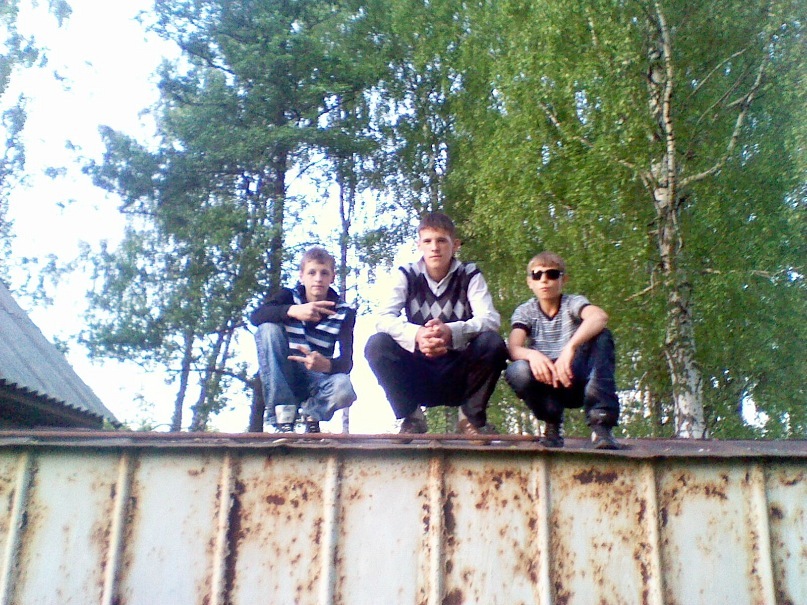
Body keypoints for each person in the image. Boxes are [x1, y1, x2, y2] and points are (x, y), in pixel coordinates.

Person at [365, 212, 508, 437]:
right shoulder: (407, 274)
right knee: (377, 344)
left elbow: (490, 319)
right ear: (419, 245)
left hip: (459, 373)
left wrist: (451, 331)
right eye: (428, 241)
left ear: (455, 245)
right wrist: (418, 335)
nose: (434, 248)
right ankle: (412, 417)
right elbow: (383, 318)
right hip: (419, 372)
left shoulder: (470, 274)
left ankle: (470, 418)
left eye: (441, 240)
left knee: (493, 343)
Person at [504, 251, 622, 449]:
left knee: (602, 336)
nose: (544, 280)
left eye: (552, 274)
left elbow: (599, 317)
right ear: (529, 282)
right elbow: (513, 348)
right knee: (517, 371)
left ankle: (601, 426)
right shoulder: (526, 311)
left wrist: (570, 348)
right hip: (547, 382)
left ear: (563, 279)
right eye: (537, 275)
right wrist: (532, 355)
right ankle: (552, 422)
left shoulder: (572, 303)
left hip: (576, 378)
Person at [250, 247, 357, 433]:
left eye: (324, 273)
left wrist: (326, 365)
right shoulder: (288, 297)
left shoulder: (344, 312)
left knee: (344, 388)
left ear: (332, 278)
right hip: (284, 371)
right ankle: (283, 416)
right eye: (312, 273)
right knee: (268, 329)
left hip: (317, 378)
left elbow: (346, 363)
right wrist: (291, 310)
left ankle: (312, 414)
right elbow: (256, 317)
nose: (318, 279)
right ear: (302, 276)